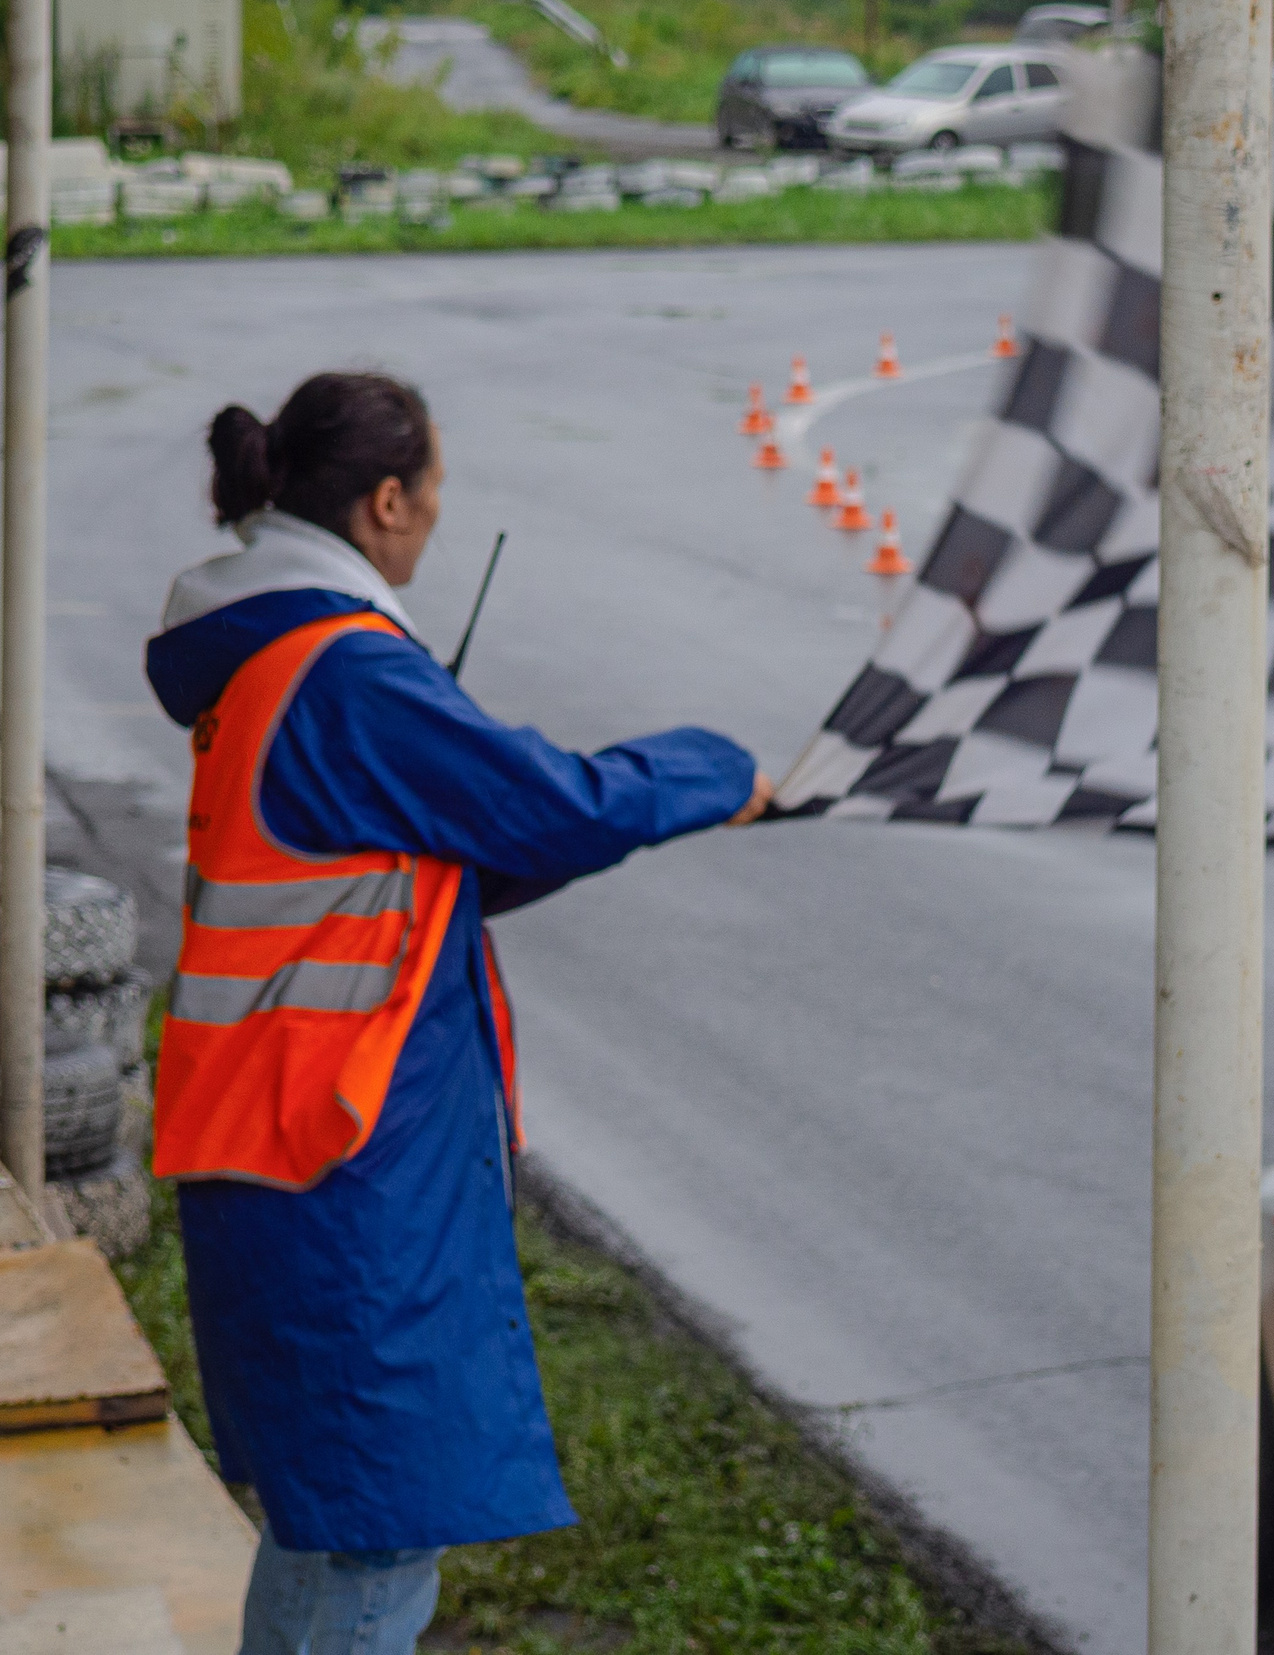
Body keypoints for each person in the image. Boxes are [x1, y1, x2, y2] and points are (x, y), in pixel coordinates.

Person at [143, 371, 771, 1655]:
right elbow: (556, 805)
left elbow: (441, 863)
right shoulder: (348, 672)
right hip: (342, 1163)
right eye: (430, 497)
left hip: (282, 1142)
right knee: (371, 1546)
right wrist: (715, 767)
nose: (431, 521)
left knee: (326, 1530)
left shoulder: (267, 660)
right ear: (386, 502)